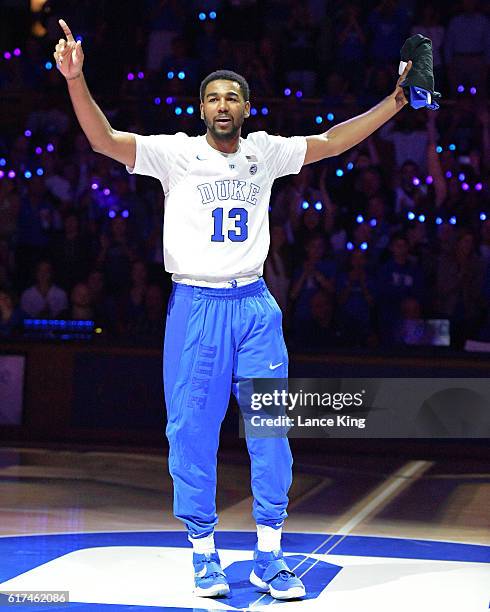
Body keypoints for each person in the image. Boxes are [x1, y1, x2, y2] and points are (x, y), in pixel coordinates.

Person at [53, 17, 413, 600]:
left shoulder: (265, 153)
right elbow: (104, 140)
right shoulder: (174, 154)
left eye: (233, 98)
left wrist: (396, 100)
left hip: (254, 307)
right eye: (213, 99)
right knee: (192, 432)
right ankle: (203, 555)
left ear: (247, 107)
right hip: (195, 307)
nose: (223, 106)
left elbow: (330, 142)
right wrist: (76, 79)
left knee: (271, 432)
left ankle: (269, 556)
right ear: (201, 110)